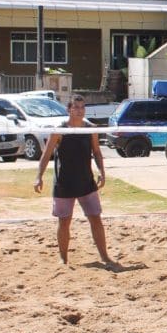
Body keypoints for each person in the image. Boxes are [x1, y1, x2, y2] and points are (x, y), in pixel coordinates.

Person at [33, 94, 114, 268]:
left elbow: (97, 152)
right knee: (64, 221)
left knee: (96, 218)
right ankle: (63, 258)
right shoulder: (60, 130)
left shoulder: (90, 129)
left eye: (82, 107)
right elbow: (46, 155)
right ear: (69, 109)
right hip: (64, 182)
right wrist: (39, 176)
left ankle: (105, 256)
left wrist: (102, 172)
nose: (79, 110)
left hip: (86, 181)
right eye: (76, 107)